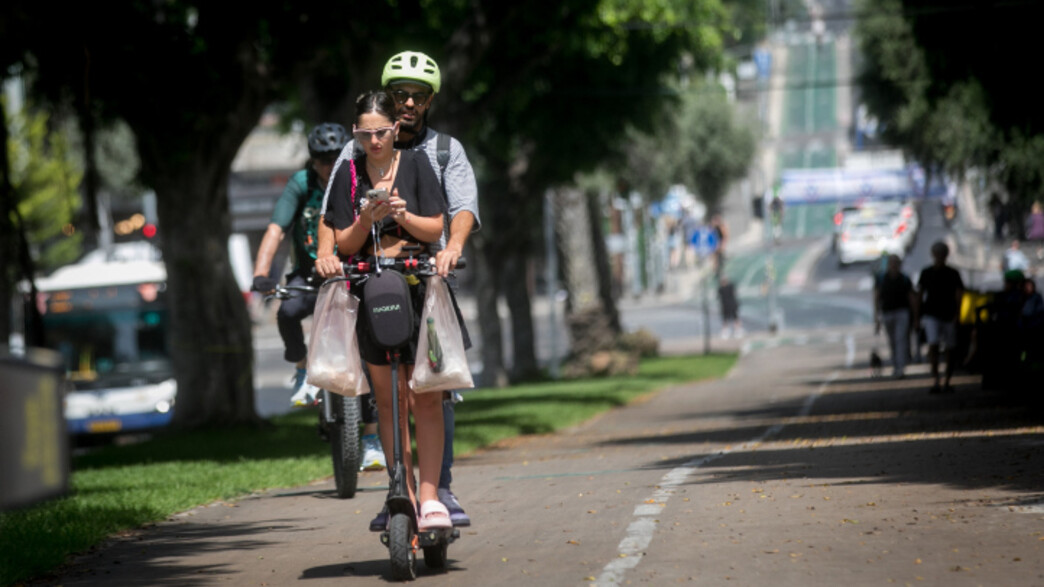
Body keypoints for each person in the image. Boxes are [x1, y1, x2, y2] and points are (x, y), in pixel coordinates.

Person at [318, 51, 480, 528]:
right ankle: (400, 492)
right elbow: (332, 217)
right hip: (374, 283)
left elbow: (460, 210)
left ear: (430, 102)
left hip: (426, 279)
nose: (408, 104)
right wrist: (328, 254)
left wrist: (452, 247)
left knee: (433, 389)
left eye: (418, 96)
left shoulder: (441, 152)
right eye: (399, 95)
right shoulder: (353, 156)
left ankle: (439, 489)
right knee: (387, 396)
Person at [251, 123, 386, 469]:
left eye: (334, 157)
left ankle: (371, 436)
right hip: (311, 273)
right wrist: (261, 274)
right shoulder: (301, 184)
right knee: (287, 311)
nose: (329, 165)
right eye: (322, 160)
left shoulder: (361, 177)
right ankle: (301, 369)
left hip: (354, 270)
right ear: (312, 162)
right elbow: (276, 230)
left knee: (370, 352)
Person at [915, 241, 964, 394]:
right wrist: (917, 316)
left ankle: (947, 380)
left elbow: (959, 294)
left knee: (950, 348)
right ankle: (936, 379)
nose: (939, 257)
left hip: (949, 314)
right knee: (933, 346)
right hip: (932, 315)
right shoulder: (927, 273)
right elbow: (920, 295)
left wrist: (957, 314)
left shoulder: (953, 273)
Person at [874, 254, 917, 379]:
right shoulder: (881, 278)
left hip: (902, 313)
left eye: (896, 263)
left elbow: (912, 298)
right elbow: (876, 298)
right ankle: (895, 364)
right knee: (892, 341)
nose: (893, 265)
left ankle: (900, 367)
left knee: (901, 339)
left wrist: (915, 317)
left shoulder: (905, 279)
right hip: (887, 313)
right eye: (891, 263)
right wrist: (876, 317)